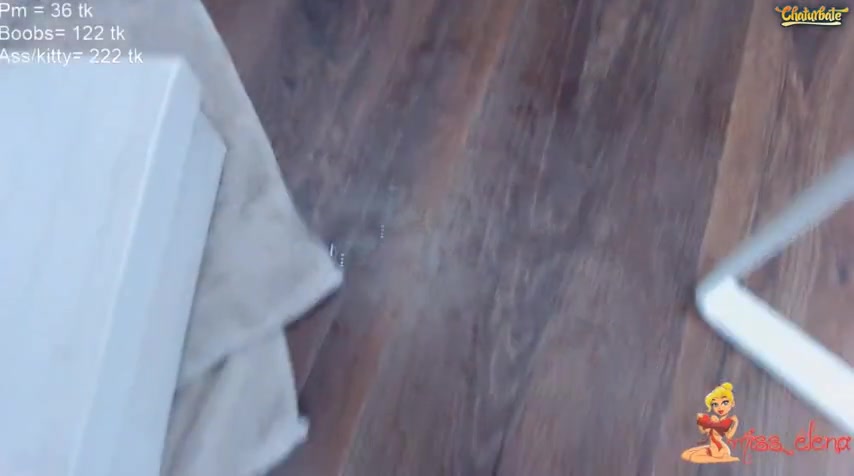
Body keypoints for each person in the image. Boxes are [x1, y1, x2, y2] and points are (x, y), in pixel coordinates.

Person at [681, 382, 740, 463]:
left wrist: (736, 423)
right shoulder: (713, 419)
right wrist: (700, 421)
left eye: (725, 403)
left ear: (732, 403)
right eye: (715, 404)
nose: (720, 407)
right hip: (712, 448)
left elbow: (729, 436)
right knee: (686, 454)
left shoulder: (728, 421)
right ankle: (724, 458)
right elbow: (703, 431)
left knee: (693, 457)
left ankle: (727, 458)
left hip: (719, 450)